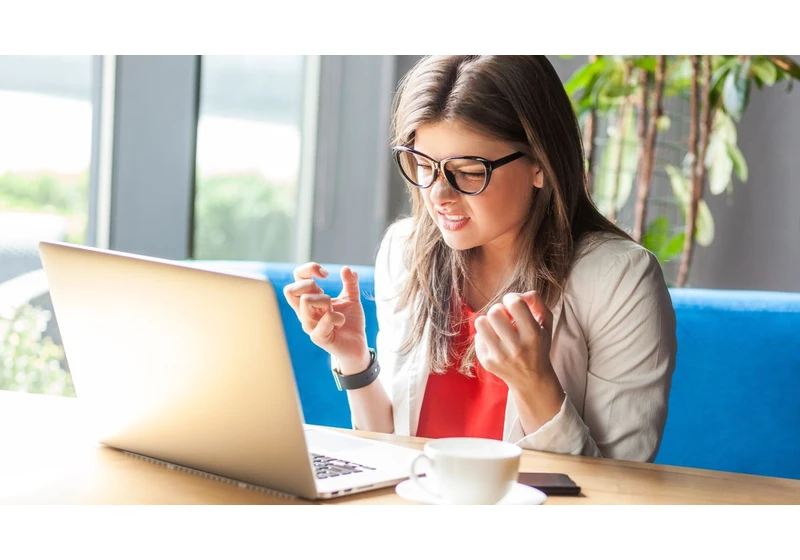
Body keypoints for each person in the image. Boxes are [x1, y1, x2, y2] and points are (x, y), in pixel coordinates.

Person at [283, 55, 677, 462]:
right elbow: (390, 449)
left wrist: (534, 383)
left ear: (540, 165)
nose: (438, 195)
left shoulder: (620, 279)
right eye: (422, 165)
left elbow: (620, 485)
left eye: (469, 171)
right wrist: (352, 358)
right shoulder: (405, 252)